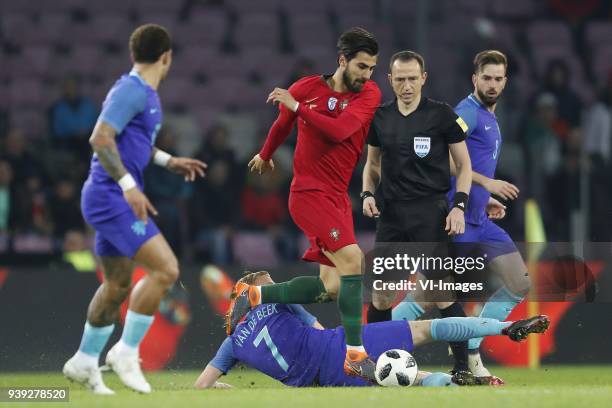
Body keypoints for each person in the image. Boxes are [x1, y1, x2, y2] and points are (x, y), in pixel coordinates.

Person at [227, 27, 382, 382]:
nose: (367, 75)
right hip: (309, 194)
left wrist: (297, 108)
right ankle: (355, 355)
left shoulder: (368, 94)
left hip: (338, 197)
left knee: (332, 286)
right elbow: (283, 124)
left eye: (371, 67)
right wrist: (265, 154)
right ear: (342, 60)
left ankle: (253, 294)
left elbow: (340, 130)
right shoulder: (306, 88)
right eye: (361, 66)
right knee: (354, 259)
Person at [62, 24, 207, 395]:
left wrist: (168, 160)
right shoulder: (131, 89)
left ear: (133, 54)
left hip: (109, 195)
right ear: (166, 57)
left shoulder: (144, 93)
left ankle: (83, 359)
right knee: (166, 269)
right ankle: (125, 352)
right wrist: (128, 186)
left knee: (118, 284)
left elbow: (133, 142)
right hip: (110, 197)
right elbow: (101, 137)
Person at [393, 50, 531, 379]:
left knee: (519, 282)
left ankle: (471, 352)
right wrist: (489, 184)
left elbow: (471, 165)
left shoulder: (489, 116)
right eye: (487, 78)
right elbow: (447, 160)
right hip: (458, 221)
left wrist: (483, 199)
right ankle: (371, 341)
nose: (493, 84)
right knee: (429, 294)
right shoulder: (466, 112)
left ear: (505, 81)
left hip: (480, 219)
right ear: (475, 79)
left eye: (498, 79)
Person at [195, 271, 549, 388]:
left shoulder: (231, 344)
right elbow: (319, 323)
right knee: (431, 327)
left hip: (330, 380)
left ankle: (454, 381)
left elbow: (200, 386)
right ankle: (506, 328)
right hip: (345, 345)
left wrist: (219, 387)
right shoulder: (280, 301)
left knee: (414, 377)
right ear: (254, 291)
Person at [361, 50, 473, 374]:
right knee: (381, 297)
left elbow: (465, 166)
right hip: (393, 215)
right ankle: (378, 363)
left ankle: (463, 366)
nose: (406, 85)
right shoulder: (380, 118)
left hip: (430, 212)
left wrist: (459, 207)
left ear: (424, 78)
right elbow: (372, 165)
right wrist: (368, 192)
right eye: (400, 79)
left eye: (412, 78)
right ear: (390, 81)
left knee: (441, 292)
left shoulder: (442, 115)